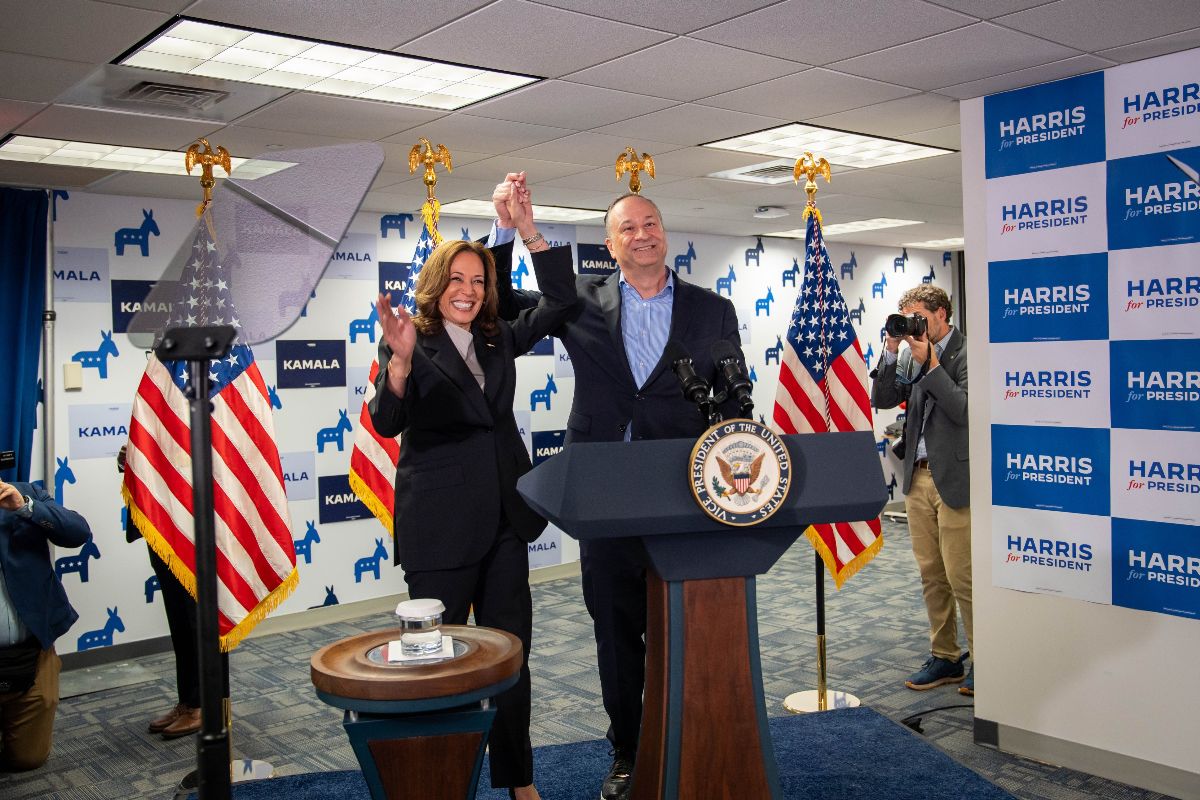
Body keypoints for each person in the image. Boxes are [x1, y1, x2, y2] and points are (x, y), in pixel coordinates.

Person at [490, 175, 745, 800]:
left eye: (651, 223)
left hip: (684, 495)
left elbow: (735, 400)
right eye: (627, 227)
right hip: (603, 498)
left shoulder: (713, 309)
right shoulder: (576, 299)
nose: (642, 235)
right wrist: (510, 228)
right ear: (609, 243)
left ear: (666, 234)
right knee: (615, 628)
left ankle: (689, 732)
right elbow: (497, 308)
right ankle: (629, 748)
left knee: (683, 626)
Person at [369, 184, 575, 800]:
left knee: (511, 657)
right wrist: (399, 365)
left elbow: (561, 302)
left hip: (506, 526)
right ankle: (437, 777)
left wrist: (528, 229)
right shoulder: (411, 340)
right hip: (441, 531)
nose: (469, 290)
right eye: (458, 279)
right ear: (437, 285)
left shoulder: (498, 336)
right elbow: (386, 420)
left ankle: (519, 779)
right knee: (435, 661)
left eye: (479, 281)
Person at [870, 284, 973, 696]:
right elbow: (881, 398)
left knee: (962, 576)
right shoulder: (911, 352)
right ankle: (945, 657)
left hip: (957, 477)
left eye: (920, 319)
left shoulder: (968, 351)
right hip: (918, 476)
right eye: (909, 320)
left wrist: (929, 363)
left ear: (942, 313)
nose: (916, 327)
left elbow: (963, 409)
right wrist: (893, 350)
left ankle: (988, 660)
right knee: (932, 574)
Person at [118, 445, 221, 739]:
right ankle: (188, 701)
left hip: (195, 528)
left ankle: (205, 705)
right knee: (179, 622)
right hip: (161, 527)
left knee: (200, 622)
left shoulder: (208, 406)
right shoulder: (156, 409)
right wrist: (131, 457)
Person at [0, 478, 90, 770]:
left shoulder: (24, 493)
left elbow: (78, 532)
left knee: (29, 759)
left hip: (32, 652)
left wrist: (25, 507)